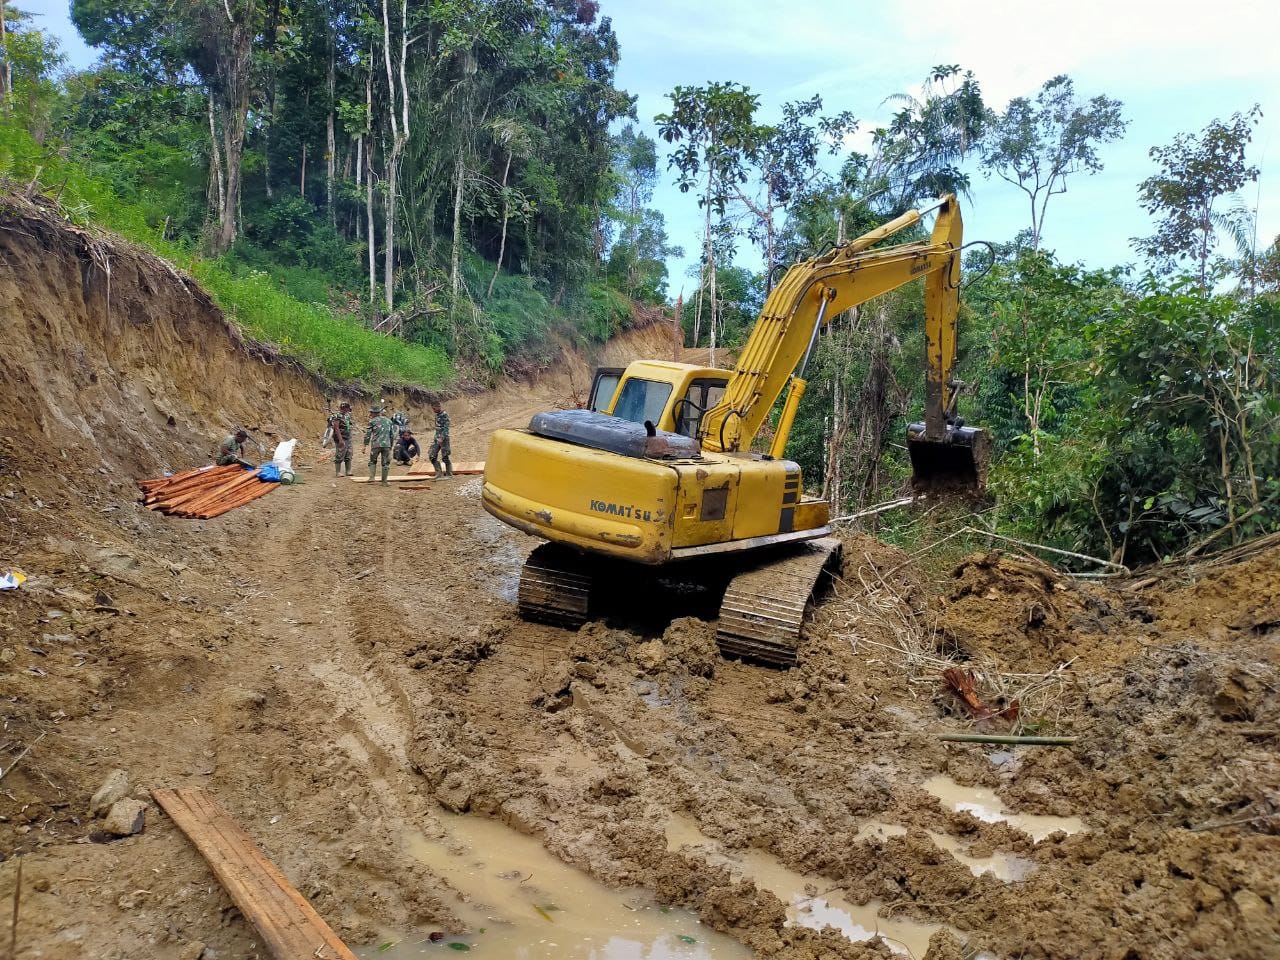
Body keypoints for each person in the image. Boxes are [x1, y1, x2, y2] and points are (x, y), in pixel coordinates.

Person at [362, 404, 395, 485]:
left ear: (374, 413)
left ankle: (371, 478)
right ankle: (384, 482)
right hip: (386, 445)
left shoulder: (372, 422)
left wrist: (364, 446)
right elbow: (392, 435)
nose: (370, 414)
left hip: (375, 445)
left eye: (371, 412)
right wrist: (391, 445)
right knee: (385, 463)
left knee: (372, 461)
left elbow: (368, 435)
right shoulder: (389, 421)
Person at [428, 399, 453, 479]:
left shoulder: (444, 415)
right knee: (432, 455)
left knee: (445, 456)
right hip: (437, 438)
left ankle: (449, 474)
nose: (433, 410)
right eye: (433, 408)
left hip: (444, 439)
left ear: (438, 406)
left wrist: (442, 438)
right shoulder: (437, 415)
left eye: (434, 408)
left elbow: (446, 428)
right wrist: (436, 438)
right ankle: (438, 473)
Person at [328, 401, 354, 476]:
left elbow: (349, 426)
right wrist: (340, 440)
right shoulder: (337, 416)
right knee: (340, 453)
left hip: (348, 437)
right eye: (347, 408)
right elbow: (336, 427)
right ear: (344, 408)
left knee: (349, 454)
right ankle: (338, 472)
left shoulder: (347, 416)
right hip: (341, 438)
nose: (348, 410)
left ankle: (348, 471)